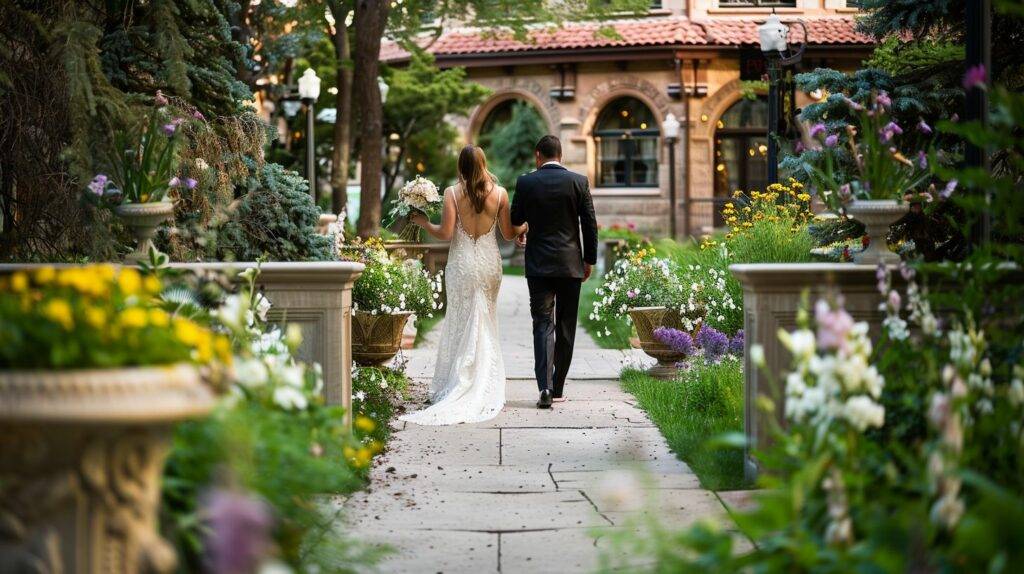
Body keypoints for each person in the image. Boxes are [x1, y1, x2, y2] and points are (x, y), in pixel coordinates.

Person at [400, 145, 528, 425]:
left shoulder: (452, 193)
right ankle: (484, 378)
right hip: (489, 264)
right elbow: (507, 234)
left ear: (461, 166)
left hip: (461, 264)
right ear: (483, 164)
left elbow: (445, 233)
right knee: (486, 319)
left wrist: (424, 223)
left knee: (459, 319)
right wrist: (524, 228)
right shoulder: (501, 193)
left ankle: (458, 379)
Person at [511, 135, 598, 409]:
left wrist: (525, 231)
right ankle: (558, 387)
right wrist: (588, 260)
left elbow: (515, 219)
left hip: (538, 266)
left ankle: (544, 387)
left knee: (542, 324)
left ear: (538, 155)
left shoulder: (526, 182)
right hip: (570, 265)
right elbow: (590, 225)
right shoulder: (579, 182)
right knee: (565, 326)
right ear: (560, 155)